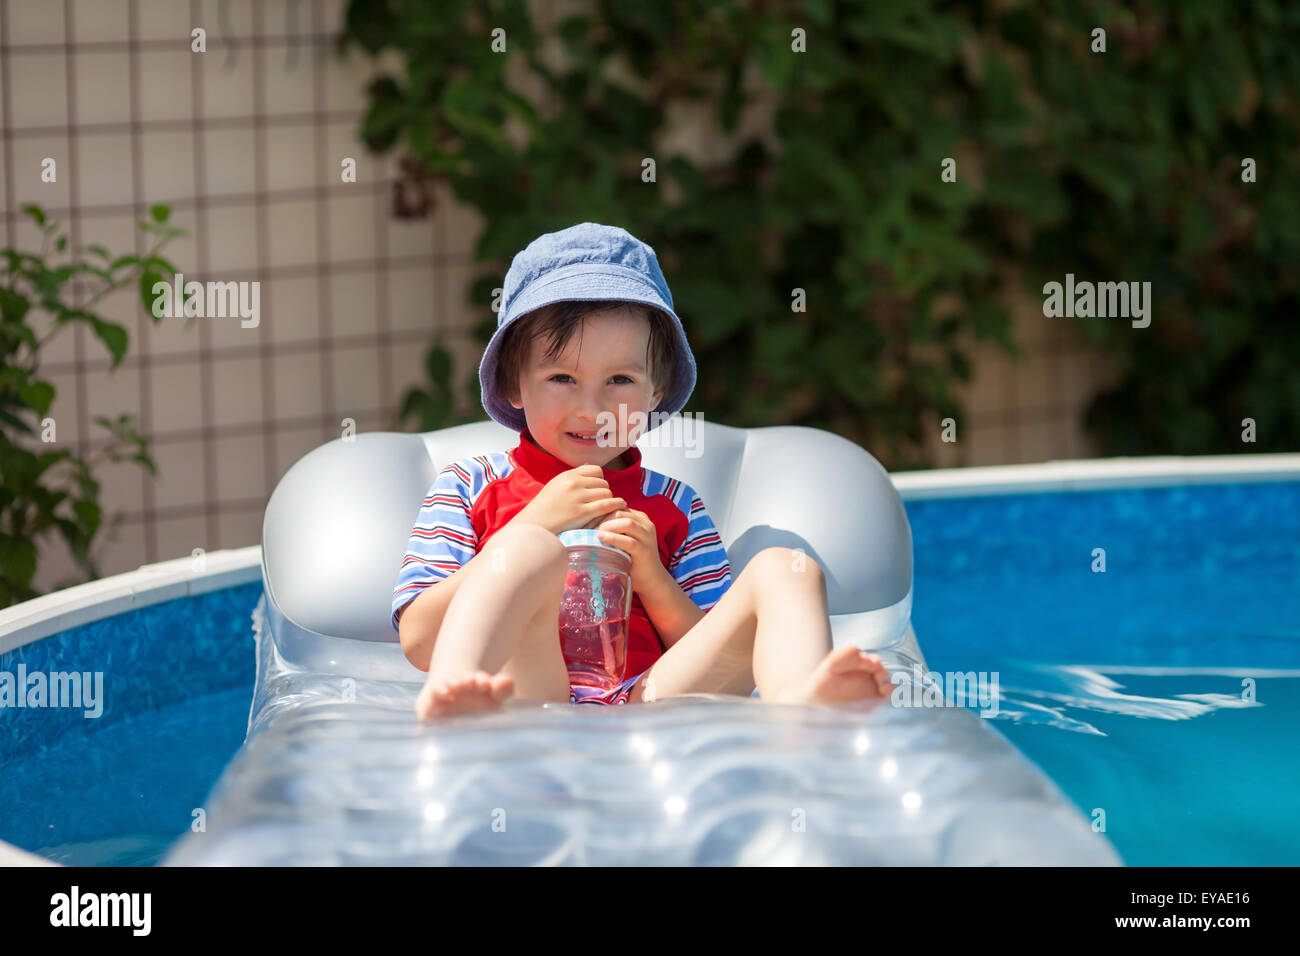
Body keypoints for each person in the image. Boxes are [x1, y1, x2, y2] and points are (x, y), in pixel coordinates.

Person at [392, 222, 892, 720]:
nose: (591, 409)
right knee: (528, 549)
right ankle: (455, 695)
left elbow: (718, 646)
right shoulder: (471, 486)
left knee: (786, 566)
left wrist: (653, 578)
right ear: (513, 384)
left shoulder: (674, 506)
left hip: (648, 700)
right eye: (562, 377)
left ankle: (807, 706)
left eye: (620, 380)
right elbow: (417, 639)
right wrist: (532, 526)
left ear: (655, 394)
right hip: (527, 695)